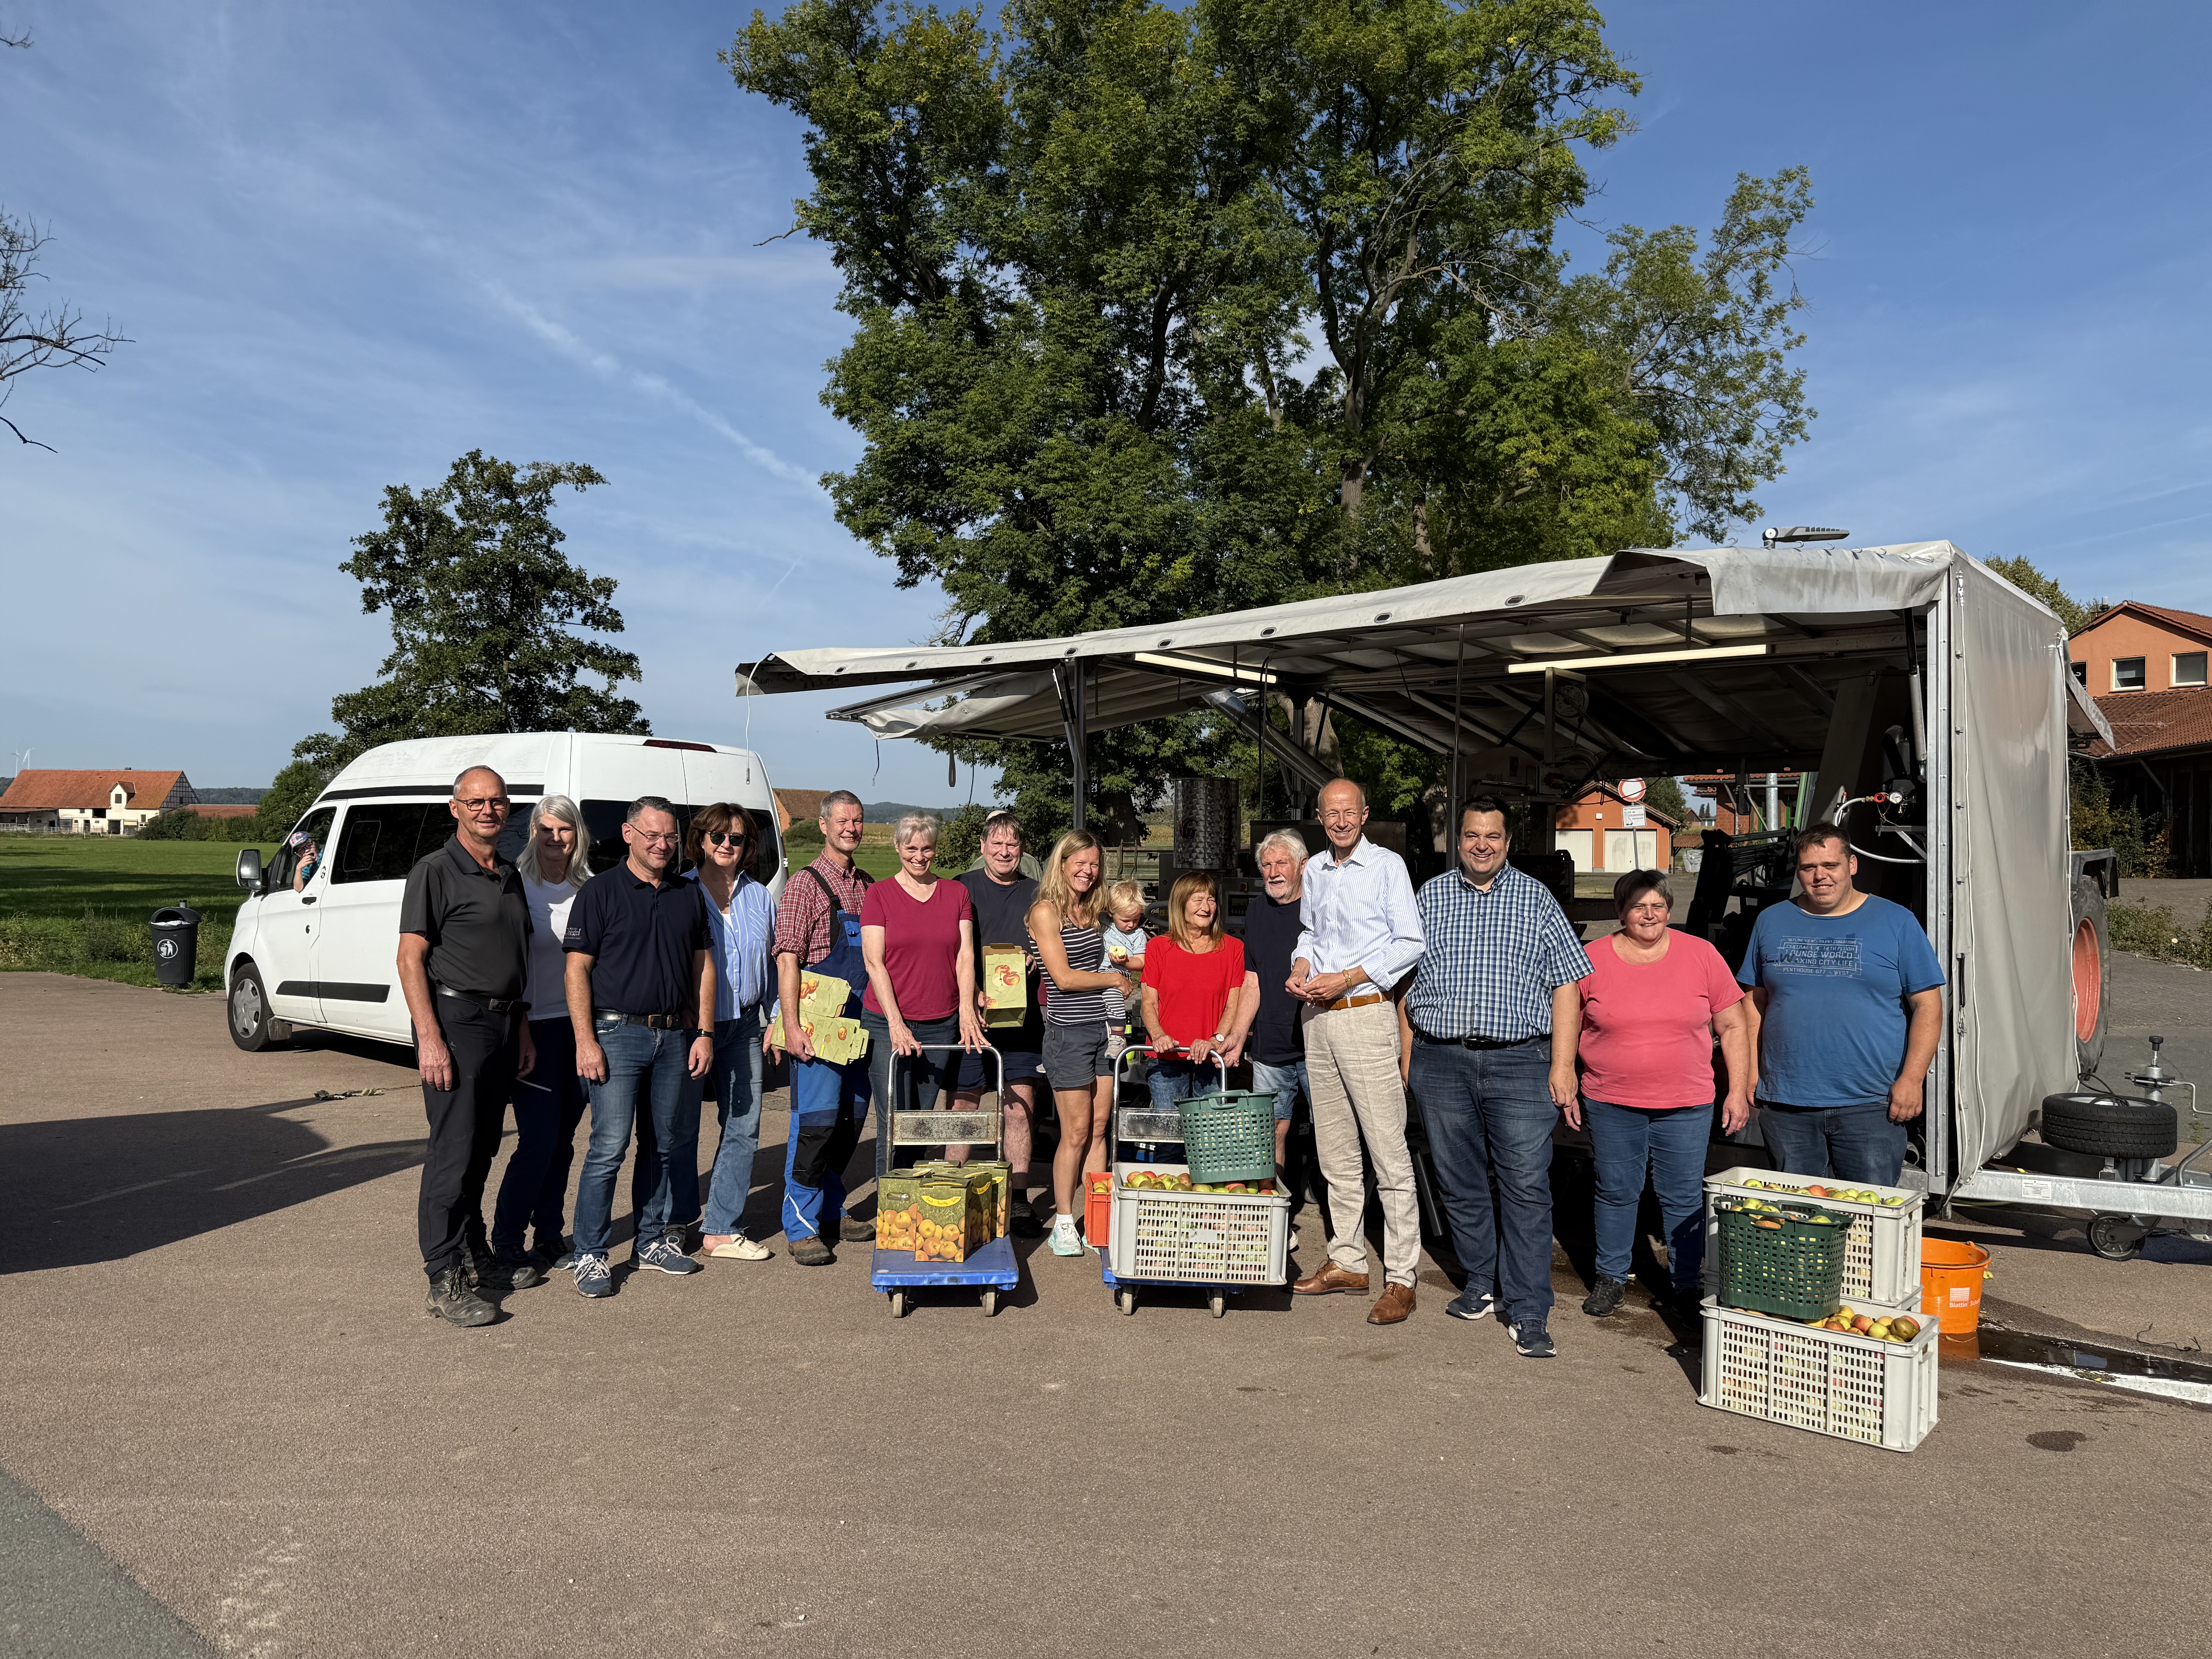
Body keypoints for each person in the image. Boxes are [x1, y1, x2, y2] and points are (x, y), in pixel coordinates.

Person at [1400, 795, 1592, 1358]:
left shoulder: (1536, 900)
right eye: (1471, 835)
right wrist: (1409, 1056)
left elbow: (1567, 985)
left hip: (1519, 1062)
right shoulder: (1429, 898)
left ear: (1507, 842)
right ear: (1457, 840)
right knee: (1458, 1180)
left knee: (1526, 1186)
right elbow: (1405, 983)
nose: (1481, 845)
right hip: (1442, 1059)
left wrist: (1563, 1064)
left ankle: (1529, 1307)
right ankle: (1482, 1281)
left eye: (1493, 836)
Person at [1560, 870, 1753, 1318]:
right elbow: (1567, 1023)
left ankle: (1686, 1284)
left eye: (1657, 906)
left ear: (1669, 909)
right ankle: (1611, 1277)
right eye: (1638, 906)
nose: (1648, 914)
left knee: (1683, 1195)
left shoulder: (1701, 954)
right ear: (1620, 912)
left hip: (1685, 1102)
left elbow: (1733, 1024)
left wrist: (1738, 1090)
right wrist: (1565, 1077)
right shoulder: (1591, 958)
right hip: (1612, 1099)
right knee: (1616, 1191)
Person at [396, 766, 536, 1328]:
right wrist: (430, 1039)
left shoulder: (507, 872)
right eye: (475, 802)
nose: (488, 810)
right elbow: (410, 959)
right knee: (453, 1152)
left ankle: (476, 1252)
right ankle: (442, 1274)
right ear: (455, 808)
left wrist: (521, 1026)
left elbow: (516, 960)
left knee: (483, 1149)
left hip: (503, 1025)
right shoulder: (435, 870)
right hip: (456, 1021)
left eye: (497, 802)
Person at [562, 795, 716, 1300]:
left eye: (670, 837)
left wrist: (705, 1032)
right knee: (609, 1147)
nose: (662, 845)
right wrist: (586, 1041)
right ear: (629, 835)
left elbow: (703, 967)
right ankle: (589, 1253)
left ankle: (650, 1243)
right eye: (652, 835)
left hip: (674, 1035)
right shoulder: (600, 893)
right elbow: (577, 969)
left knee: (664, 1146)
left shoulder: (686, 894)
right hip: (616, 1034)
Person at [1287, 779, 1425, 1326]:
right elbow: (1309, 933)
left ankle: (1401, 1277)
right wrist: (1301, 967)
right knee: (1336, 1150)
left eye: (1349, 812)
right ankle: (1347, 1258)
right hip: (1317, 1018)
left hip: (1365, 1011)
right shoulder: (1315, 870)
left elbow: (1409, 943)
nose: (1341, 821)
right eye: (1331, 813)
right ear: (1319, 818)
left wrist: (1345, 978)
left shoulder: (1388, 867)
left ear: (1365, 814)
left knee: (1388, 1153)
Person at [1737, 824, 1946, 1185]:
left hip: (1870, 1104)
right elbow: (1754, 1002)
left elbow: (1929, 1006)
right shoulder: (1771, 921)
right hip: (1788, 1103)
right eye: (1808, 868)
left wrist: (1912, 1080)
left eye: (1830, 865)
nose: (1820, 877)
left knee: (1869, 1219)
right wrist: (1752, 1073)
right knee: (1799, 1220)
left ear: (1852, 865)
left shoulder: (1896, 922)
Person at [771, 789, 874, 1264]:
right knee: (816, 1125)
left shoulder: (869, 885)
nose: (851, 828)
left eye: (857, 821)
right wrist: (791, 1026)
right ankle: (801, 1225)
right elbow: (787, 959)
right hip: (817, 1026)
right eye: (843, 821)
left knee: (849, 1122)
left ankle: (832, 1209)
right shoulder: (805, 886)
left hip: (861, 1026)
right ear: (824, 824)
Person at [489, 793, 590, 1278]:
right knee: (538, 1140)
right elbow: (510, 968)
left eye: (565, 829)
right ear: (533, 832)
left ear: (578, 835)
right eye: (546, 829)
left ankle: (548, 1234)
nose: (556, 838)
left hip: (581, 1029)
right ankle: (507, 1240)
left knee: (566, 1140)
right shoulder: (517, 886)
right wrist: (523, 1029)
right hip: (534, 1028)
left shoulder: (590, 888)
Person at [1029, 830, 1138, 1258]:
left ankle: (1096, 1218)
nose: (1088, 871)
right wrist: (1114, 978)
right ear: (1062, 862)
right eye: (1081, 862)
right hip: (1067, 1035)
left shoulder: (1093, 912)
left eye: (1094, 865)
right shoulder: (1045, 912)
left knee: (1098, 1129)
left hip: (1102, 1032)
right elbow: (1064, 979)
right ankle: (1063, 1221)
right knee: (1073, 1133)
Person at [862, 813, 987, 1179]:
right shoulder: (879, 894)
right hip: (888, 1023)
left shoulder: (956, 894)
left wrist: (965, 1009)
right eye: (911, 848)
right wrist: (896, 1024)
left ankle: (914, 1200)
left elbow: (965, 955)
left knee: (922, 1119)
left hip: (940, 1022)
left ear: (935, 850)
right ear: (898, 847)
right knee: (895, 1118)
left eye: (927, 848)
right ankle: (893, 1203)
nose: (919, 856)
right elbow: (874, 961)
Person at [685, 803, 778, 1262]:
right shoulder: (679, 892)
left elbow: (774, 966)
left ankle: (721, 1229)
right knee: (675, 1129)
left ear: (748, 846)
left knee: (743, 1127)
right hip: (688, 1029)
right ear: (700, 840)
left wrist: (777, 1018)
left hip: (743, 1025)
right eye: (717, 837)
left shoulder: (760, 896)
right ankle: (667, 1225)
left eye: (736, 839)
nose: (726, 845)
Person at [950, 811, 1048, 1235]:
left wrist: (1036, 959)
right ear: (984, 847)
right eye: (997, 844)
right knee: (965, 1104)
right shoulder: (961, 887)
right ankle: (953, 1188)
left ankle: (1019, 1198)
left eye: (1012, 845)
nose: (1005, 851)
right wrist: (967, 993)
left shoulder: (1039, 892)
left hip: (1023, 1019)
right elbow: (949, 949)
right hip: (974, 1018)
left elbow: (1060, 943)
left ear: (1022, 850)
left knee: (1020, 1109)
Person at [1139, 871, 1256, 1104]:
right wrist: (1159, 1035)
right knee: (1169, 1138)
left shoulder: (1233, 948)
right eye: (1198, 899)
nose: (1206, 906)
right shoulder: (1158, 948)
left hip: (1212, 1058)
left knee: (1208, 1138)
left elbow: (1233, 1004)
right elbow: (1148, 1003)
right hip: (1166, 1059)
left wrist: (1216, 1040)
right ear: (1181, 905)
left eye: (1211, 899)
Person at [1243, 830, 1311, 1233]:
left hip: (1319, 1040)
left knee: (1334, 1135)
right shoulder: (1256, 910)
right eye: (1266, 865)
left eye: (1281, 863)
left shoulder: (1322, 908)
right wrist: (1237, 1036)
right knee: (1271, 1131)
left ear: (1302, 865)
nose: (1273, 872)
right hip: (1271, 1041)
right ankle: (1273, 1220)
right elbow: (1252, 979)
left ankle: (1344, 1229)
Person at [1101, 880, 1149, 1058]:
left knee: (1113, 996)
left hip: (1118, 973)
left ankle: (1118, 1036)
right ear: (1111, 914)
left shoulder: (1137, 936)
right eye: (1126, 920)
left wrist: (1125, 961)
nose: (1131, 924)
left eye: (1136, 919)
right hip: (1097, 972)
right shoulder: (1104, 923)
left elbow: (1141, 963)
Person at [288, 828, 322, 893]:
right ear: (299, 855)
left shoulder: (327, 854)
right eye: (301, 850)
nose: (307, 850)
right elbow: (298, 888)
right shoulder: (307, 865)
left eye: (309, 845)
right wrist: (299, 869)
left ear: (317, 843)